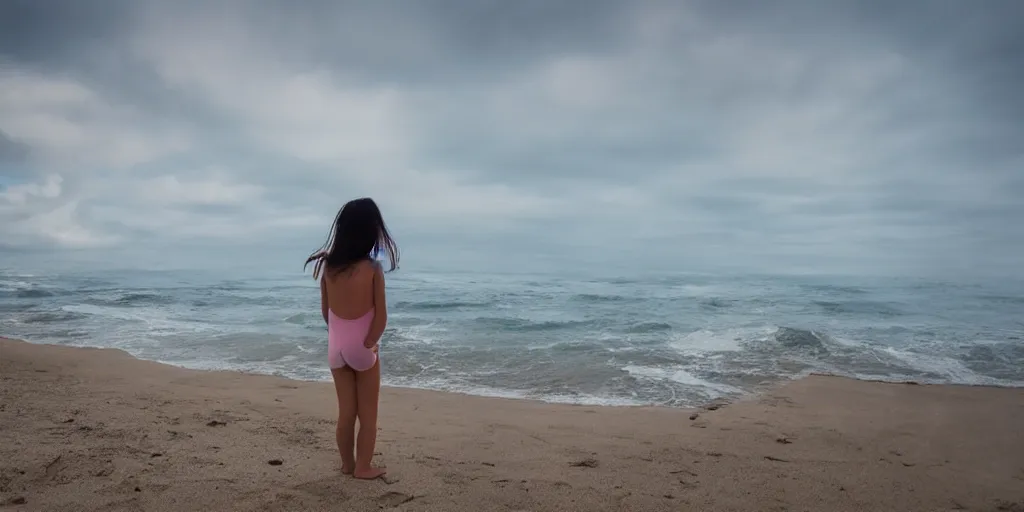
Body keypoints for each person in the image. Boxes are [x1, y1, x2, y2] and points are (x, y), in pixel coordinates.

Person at [304, 197, 399, 480]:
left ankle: (346, 464)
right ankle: (363, 467)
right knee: (367, 415)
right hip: (362, 349)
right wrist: (370, 344)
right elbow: (381, 318)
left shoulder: (328, 268)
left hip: (336, 349)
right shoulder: (372, 270)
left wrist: (341, 338)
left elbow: (326, 312)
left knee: (346, 412)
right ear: (371, 232)